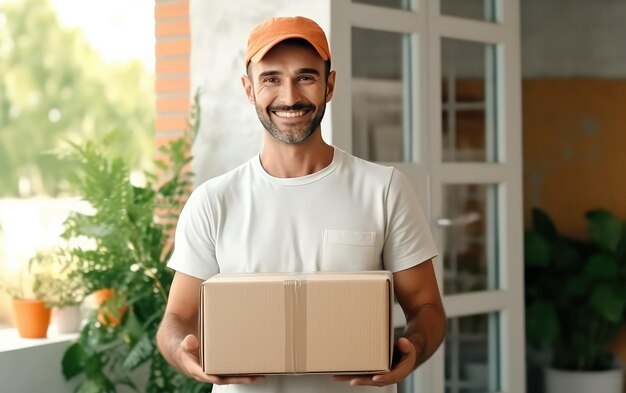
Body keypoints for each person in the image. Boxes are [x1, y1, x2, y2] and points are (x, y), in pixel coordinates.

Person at [156, 15, 445, 393]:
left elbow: (427, 308)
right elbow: (176, 319)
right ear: (248, 89)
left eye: (305, 77)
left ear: (330, 85)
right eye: (271, 79)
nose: (289, 96)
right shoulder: (213, 202)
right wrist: (183, 351)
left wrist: (414, 348)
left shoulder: (384, 189)